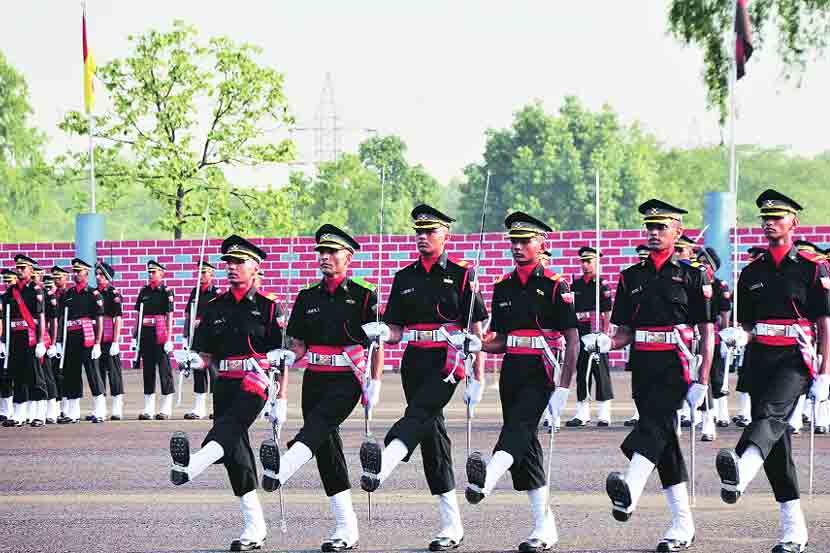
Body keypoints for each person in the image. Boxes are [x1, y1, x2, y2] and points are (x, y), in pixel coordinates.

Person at [583, 199, 714, 552]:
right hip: (643, 365)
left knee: (655, 425)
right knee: (664, 442)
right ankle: (682, 525)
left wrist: (704, 379)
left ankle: (631, 487)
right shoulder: (631, 277)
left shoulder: (692, 275)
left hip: (678, 364)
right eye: (650, 227)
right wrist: (606, 342)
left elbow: (707, 331)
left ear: (677, 232)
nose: (654, 233)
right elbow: (624, 331)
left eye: (661, 227)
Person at [360, 204, 488, 551]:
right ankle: (451, 525)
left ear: (446, 235)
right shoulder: (404, 277)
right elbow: (398, 329)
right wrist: (382, 333)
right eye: (418, 231)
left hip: (448, 360)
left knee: (418, 415)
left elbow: (474, 327)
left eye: (430, 231)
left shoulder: (462, 274)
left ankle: (382, 465)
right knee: (433, 441)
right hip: (415, 360)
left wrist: (478, 376)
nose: (422, 237)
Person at [716, 190, 830, 553]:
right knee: (777, 448)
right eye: (765, 218)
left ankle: (740, 472)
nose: (770, 223)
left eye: (777, 217)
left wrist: (826, 373)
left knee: (769, 415)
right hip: (761, 357)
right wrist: (739, 334)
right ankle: (794, 529)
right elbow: (749, 323)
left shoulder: (813, 267)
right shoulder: (752, 272)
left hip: (796, 359)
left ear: (793, 222)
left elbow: (826, 324)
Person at [260, 224, 382, 552]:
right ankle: (346, 527)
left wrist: (376, 381)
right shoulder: (307, 296)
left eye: (332, 252)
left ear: (348, 257)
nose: (325, 257)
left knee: (318, 426)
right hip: (314, 377)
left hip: (347, 378)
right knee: (327, 453)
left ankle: (282, 468)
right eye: (321, 252)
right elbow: (299, 344)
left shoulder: (364, 294)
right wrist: (286, 358)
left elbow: (376, 342)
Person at [464, 212, 579, 552]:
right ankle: (545, 528)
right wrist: (479, 344)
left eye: (525, 241)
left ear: (542, 244)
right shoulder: (503, 287)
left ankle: (487, 478)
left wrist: (563, 388)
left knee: (518, 428)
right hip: (513, 370)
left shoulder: (557, 285)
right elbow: (501, 339)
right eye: (513, 241)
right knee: (527, 449)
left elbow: (572, 339)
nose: (517, 247)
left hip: (543, 371)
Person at [168, 235, 283, 551]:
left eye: (239, 262)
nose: (232, 268)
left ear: (255, 267)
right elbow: (206, 354)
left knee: (228, 429)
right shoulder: (214, 306)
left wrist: (281, 399)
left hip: (257, 381)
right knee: (235, 453)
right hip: (225, 382)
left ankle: (192, 465)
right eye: (229, 263)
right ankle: (255, 527)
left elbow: (283, 355)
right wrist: (192, 359)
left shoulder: (269, 306)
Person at [566, 246, 613, 427]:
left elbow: (607, 311)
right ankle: (582, 413)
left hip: (597, 334)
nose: (585, 265)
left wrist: (605, 334)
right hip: (581, 334)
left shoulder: (601, 285)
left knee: (601, 374)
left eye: (589, 261)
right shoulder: (575, 285)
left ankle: (604, 413)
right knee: (582, 374)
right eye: (583, 262)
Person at [57, 258, 106, 424]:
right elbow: (62, 319)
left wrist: (98, 343)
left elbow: (99, 319)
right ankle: (73, 412)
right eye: (74, 271)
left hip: (88, 338)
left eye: (79, 271)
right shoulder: (68, 295)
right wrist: (59, 341)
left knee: (93, 373)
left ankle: (100, 410)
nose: (76, 274)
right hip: (71, 338)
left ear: (86, 273)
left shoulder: (93, 294)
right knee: (72, 374)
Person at [2, 255, 48, 427]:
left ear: (30, 270)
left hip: (31, 338)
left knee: (35, 376)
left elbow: (40, 316)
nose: (20, 271)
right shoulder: (11, 291)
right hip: (15, 338)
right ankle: (19, 415)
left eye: (23, 268)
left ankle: (39, 415)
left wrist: (41, 341)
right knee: (17, 376)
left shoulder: (35, 289)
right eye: (18, 268)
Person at [695, 247, 733, 440]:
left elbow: (725, 314)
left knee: (717, 378)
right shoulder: (692, 283)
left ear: (713, 267)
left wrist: (726, 337)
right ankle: (707, 421)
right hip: (696, 339)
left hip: (715, 338)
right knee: (702, 380)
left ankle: (721, 414)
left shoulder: (720, 285)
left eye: (705, 264)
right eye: (699, 262)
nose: (701, 266)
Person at [133, 260, 175, 420]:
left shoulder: (166, 291)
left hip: (160, 334)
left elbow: (169, 316)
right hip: (146, 334)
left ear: (161, 274)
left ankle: (166, 408)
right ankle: (148, 408)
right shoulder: (143, 291)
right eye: (149, 272)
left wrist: (169, 337)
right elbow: (138, 315)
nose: (151, 275)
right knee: (148, 371)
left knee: (164, 370)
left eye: (154, 272)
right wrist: (134, 336)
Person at [731, 246, 767, 428]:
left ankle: (748, 457)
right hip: (756, 344)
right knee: (747, 381)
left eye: (757, 257)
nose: (753, 260)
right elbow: (745, 320)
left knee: (772, 408)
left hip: (791, 347)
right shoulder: (749, 275)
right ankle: (745, 414)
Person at [183, 260, 220, 420]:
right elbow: (188, 314)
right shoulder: (195, 292)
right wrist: (185, 335)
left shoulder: (216, 293)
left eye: (204, 272)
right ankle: (199, 408)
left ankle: (216, 406)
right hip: (196, 336)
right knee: (198, 370)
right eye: (199, 272)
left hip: (211, 336)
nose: (201, 276)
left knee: (214, 372)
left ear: (211, 275)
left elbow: (219, 315)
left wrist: (203, 321)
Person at [623, 244, 652, 427]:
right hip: (640, 342)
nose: (643, 261)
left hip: (670, 346)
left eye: (645, 257)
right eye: (640, 258)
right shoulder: (631, 278)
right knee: (639, 387)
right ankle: (638, 413)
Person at [95, 261, 125, 421]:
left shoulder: (114, 294)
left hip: (109, 337)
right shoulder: (94, 293)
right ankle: (100, 407)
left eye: (101, 275)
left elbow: (117, 319)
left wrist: (115, 341)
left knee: (114, 373)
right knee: (98, 372)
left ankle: (117, 406)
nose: (98, 277)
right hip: (96, 339)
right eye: (97, 274)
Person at [0, 268, 20, 422]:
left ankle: (19, 410)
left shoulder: (20, 298)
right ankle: (6, 410)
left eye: (9, 280)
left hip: (18, 339)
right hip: (4, 341)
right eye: (5, 281)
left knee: (18, 375)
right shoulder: (3, 298)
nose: (7, 284)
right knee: (4, 376)